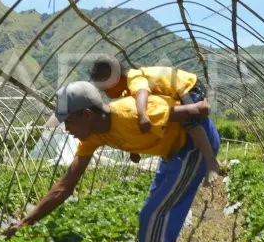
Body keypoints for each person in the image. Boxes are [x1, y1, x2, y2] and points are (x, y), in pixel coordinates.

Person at [4, 80, 220, 242]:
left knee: (152, 221)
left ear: (87, 115)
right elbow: (66, 185)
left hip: (193, 148)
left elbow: (192, 115)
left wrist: (209, 156)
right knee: (154, 223)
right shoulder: (93, 136)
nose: (65, 129)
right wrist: (25, 222)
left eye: (68, 122)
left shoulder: (132, 113)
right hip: (171, 153)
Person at [89, 55, 224, 179]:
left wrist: (143, 115)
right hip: (179, 92)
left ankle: (211, 161)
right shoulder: (127, 93)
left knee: (189, 121)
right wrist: (133, 150)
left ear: (114, 80)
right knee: (178, 114)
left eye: (105, 88)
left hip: (189, 87)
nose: (106, 94)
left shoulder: (134, 77)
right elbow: (131, 120)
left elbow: (142, 93)